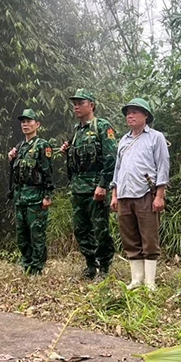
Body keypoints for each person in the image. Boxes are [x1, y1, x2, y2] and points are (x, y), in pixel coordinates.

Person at [110, 98, 169, 290]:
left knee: (149, 237)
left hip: (145, 193)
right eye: (128, 112)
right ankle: (136, 280)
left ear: (146, 115)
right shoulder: (123, 140)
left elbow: (162, 166)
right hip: (125, 195)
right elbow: (117, 169)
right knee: (129, 238)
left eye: (135, 112)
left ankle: (150, 282)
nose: (130, 115)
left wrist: (160, 196)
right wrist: (114, 194)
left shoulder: (155, 137)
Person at [59, 89, 117, 279]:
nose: (76, 106)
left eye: (80, 103)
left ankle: (105, 267)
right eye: (74, 103)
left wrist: (103, 184)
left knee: (100, 229)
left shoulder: (102, 126)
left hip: (95, 187)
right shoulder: (77, 131)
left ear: (91, 105)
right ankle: (91, 266)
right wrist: (68, 153)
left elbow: (110, 158)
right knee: (81, 229)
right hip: (78, 188)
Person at [7, 109, 54, 275]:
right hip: (20, 198)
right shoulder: (19, 147)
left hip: (36, 197)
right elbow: (14, 173)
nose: (25, 124)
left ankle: (37, 268)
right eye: (23, 122)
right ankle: (26, 265)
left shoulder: (42, 145)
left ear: (37, 124)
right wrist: (11, 158)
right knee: (22, 236)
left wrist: (48, 196)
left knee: (37, 234)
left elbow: (48, 172)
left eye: (29, 121)